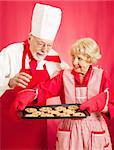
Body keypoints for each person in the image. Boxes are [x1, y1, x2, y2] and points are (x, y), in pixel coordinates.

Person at [14, 37, 112, 150]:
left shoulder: (101, 76)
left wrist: (100, 105)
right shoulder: (64, 76)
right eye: (73, 57)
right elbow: (45, 89)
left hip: (94, 129)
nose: (74, 62)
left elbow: (111, 105)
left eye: (79, 58)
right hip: (69, 128)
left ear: (90, 59)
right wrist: (32, 94)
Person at [0, 3, 69, 150]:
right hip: (9, 124)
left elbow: (70, 79)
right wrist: (9, 82)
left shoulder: (54, 59)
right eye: (40, 43)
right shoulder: (11, 53)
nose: (44, 50)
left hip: (36, 127)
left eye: (49, 45)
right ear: (30, 38)